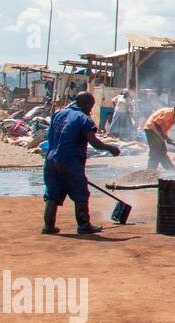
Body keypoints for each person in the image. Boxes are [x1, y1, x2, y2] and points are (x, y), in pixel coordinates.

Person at [41, 92, 122, 235]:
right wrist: (111, 148)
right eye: (90, 106)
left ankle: (48, 226)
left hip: (51, 160)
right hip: (70, 161)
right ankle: (84, 225)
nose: (90, 110)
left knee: (52, 194)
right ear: (85, 104)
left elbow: (51, 136)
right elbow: (94, 142)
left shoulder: (58, 114)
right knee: (80, 193)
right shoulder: (84, 119)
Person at [144, 103, 175, 173]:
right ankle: (149, 171)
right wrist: (166, 137)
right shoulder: (169, 113)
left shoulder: (172, 114)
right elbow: (157, 124)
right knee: (155, 152)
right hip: (152, 130)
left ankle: (171, 170)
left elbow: (162, 127)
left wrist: (166, 138)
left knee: (162, 152)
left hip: (156, 132)